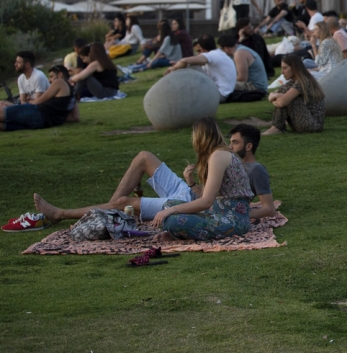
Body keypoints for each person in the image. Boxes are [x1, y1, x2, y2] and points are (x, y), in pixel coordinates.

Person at [29, 123, 275, 226]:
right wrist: (190, 183)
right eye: (229, 142)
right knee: (144, 156)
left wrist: (247, 212)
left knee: (123, 203)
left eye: (235, 143)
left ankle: (62, 214)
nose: (231, 146)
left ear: (249, 146)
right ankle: (110, 212)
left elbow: (214, 203)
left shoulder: (250, 168)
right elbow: (210, 196)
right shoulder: (224, 158)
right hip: (188, 194)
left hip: (187, 203)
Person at [152, 118, 254, 242]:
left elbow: (206, 202)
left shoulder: (218, 156)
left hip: (233, 220)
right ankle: (177, 233)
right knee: (168, 205)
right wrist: (191, 183)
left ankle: (177, 232)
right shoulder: (217, 154)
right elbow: (206, 196)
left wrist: (171, 211)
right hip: (216, 212)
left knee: (172, 219)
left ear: (199, 137)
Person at [1, 65, 78, 131]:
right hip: (43, 123)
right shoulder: (73, 93)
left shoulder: (60, 82)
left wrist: (28, 100)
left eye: (51, 76)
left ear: (60, 75)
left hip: (37, 112)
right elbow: (75, 117)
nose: (49, 80)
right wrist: (58, 119)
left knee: (1, 110)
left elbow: (39, 101)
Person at [263, 55, 325, 135]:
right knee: (283, 91)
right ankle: (277, 127)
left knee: (285, 95)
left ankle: (276, 128)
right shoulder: (293, 82)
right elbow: (275, 95)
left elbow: (282, 102)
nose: (282, 72)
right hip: (304, 122)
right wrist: (275, 96)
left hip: (312, 125)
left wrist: (275, 97)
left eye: (285, 68)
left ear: (294, 68)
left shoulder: (303, 82)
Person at [164, 35, 237, 103]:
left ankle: (176, 92)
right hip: (222, 92)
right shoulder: (218, 54)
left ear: (202, 49)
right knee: (190, 66)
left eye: (198, 51)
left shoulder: (213, 55)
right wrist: (179, 64)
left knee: (193, 67)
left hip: (220, 94)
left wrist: (173, 68)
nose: (198, 54)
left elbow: (185, 61)